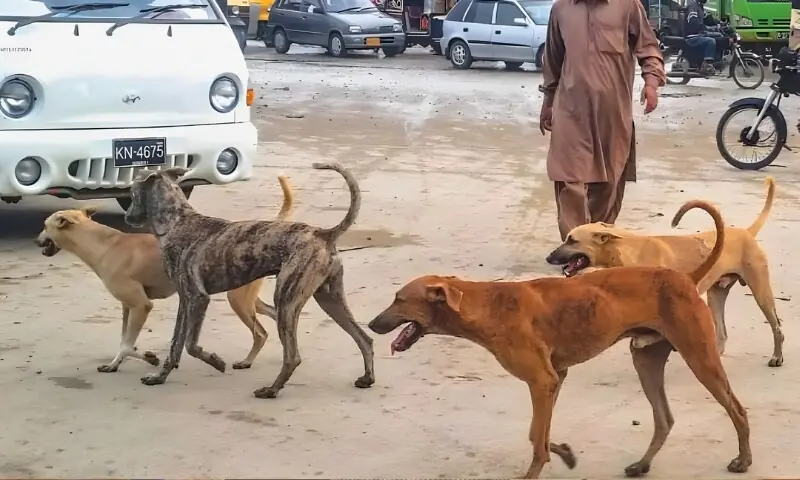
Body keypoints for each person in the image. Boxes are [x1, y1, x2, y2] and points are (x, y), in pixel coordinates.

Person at [539, 0, 666, 241]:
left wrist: (651, 83)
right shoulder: (561, 9)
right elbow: (553, 59)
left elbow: (648, 48)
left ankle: (596, 242)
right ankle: (574, 248)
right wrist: (548, 102)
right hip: (570, 111)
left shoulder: (628, 6)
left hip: (613, 113)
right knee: (569, 180)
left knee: (608, 184)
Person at [685, 0, 721, 73]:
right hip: (692, 35)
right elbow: (693, 21)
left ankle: (717, 60)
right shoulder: (693, 6)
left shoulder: (700, 6)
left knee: (719, 36)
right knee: (711, 41)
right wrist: (707, 28)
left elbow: (707, 18)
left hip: (699, 33)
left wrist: (719, 23)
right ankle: (706, 65)